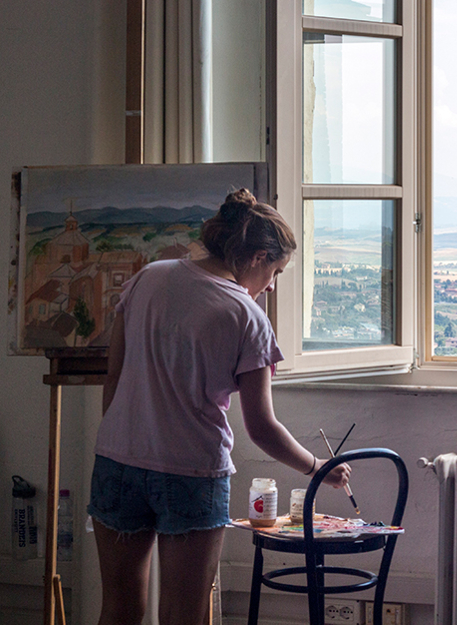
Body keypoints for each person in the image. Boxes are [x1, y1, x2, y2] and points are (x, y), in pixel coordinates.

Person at [88, 188, 350, 625]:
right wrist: (316, 466)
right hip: (192, 472)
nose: (270, 285)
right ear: (258, 256)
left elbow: (113, 376)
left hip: (117, 463)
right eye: (276, 272)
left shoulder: (148, 277)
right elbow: (262, 427)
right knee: (184, 614)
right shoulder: (246, 317)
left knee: (118, 606)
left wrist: (124, 438)